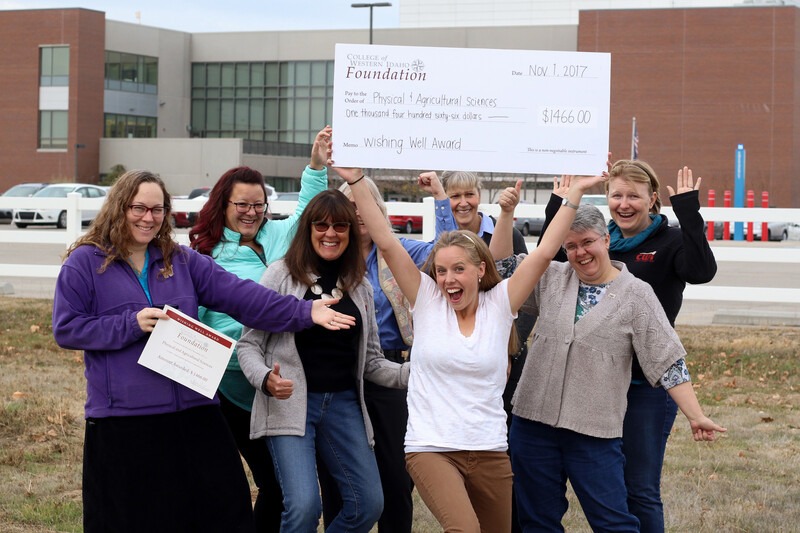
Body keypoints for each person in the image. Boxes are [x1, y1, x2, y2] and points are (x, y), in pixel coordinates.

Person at [51, 170, 353, 533]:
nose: (149, 218)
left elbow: (244, 297)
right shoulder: (86, 262)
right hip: (125, 420)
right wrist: (129, 324)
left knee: (226, 511)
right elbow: (67, 328)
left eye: (158, 209)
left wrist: (305, 311)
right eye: (139, 208)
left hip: (195, 409)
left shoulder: (179, 260)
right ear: (119, 207)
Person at [339, 163, 604, 532]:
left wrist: (575, 194)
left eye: (458, 269)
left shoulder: (500, 302)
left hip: (490, 450)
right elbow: (385, 239)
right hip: (430, 447)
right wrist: (355, 180)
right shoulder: (426, 298)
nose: (448, 279)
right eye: (442, 271)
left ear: (480, 270)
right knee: (464, 529)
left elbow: (544, 253)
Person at [490, 196, 725, 532]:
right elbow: (503, 270)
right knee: (537, 522)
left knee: (613, 522)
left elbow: (668, 360)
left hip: (593, 432)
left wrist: (696, 415)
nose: (580, 252)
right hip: (533, 425)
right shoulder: (552, 278)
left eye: (587, 242)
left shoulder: (637, 295)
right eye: (570, 246)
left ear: (605, 240)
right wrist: (507, 213)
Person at [236, 189, 410, 533]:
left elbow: (372, 362)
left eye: (340, 226)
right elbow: (248, 346)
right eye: (321, 225)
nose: (330, 233)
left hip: (344, 404)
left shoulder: (359, 287)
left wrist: (417, 374)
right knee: (303, 508)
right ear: (308, 229)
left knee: (369, 504)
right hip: (290, 405)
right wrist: (266, 380)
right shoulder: (280, 275)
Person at [189, 127, 330, 531]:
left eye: (259, 204)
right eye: (242, 205)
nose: (251, 212)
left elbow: (307, 209)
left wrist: (316, 165)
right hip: (234, 385)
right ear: (223, 204)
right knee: (271, 484)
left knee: (282, 488)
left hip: (284, 383)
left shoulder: (279, 234)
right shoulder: (207, 255)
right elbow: (196, 320)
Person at [324, 171, 454, 533]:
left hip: (393, 375)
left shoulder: (400, 251)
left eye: (366, 204)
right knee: (341, 477)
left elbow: (448, 248)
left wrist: (440, 197)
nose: (359, 213)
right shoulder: (328, 258)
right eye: (350, 206)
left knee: (397, 477)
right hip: (342, 378)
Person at [441, 169, 534, 531]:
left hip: (498, 359)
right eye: (454, 195)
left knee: (500, 447)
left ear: (480, 195)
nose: (463, 202)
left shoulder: (506, 234)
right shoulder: (443, 238)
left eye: (469, 194)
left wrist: (508, 352)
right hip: (456, 361)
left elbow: (518, 298)